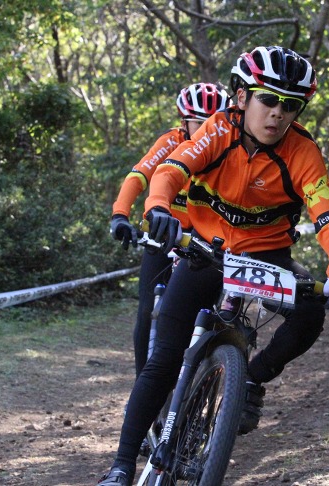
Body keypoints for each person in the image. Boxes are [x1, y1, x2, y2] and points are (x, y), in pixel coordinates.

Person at [97, 45, 329, 486]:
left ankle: (251, 380)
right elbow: (170, 170)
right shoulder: (219, 131)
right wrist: (157, 207)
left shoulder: (301, 151)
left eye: (290, 106)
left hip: (266, 256)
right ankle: (121, 465)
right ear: (241, 97)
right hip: (208, 251)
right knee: (162, 359)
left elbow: (326, 214)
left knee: (312, 310)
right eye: (268, 99)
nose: (278, 114)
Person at [109, 82, 229, 378]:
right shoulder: (171, 141)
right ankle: (144, 383)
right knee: (148, 311)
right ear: (184, 121)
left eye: (212, 123)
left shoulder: (227, 148)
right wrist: (120, 214)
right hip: (164, 236)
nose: (205, 129)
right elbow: (138, 175)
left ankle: (197, 386)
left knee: (207, 317)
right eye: (199, 123)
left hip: (203, 242)